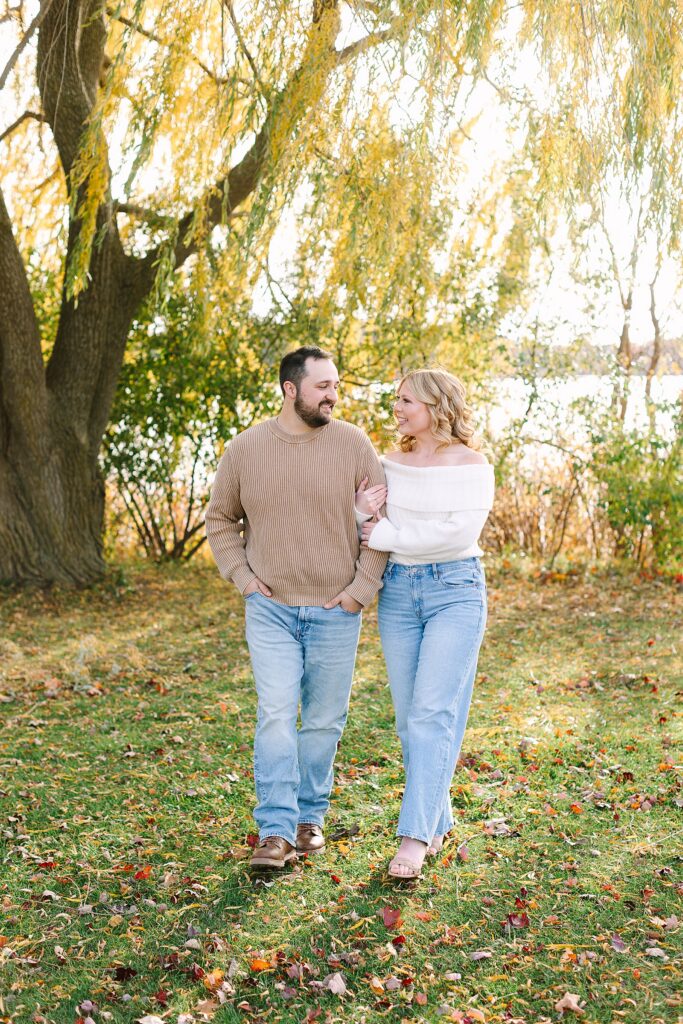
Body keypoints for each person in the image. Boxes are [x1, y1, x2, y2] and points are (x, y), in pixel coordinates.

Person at [205, 346, 388, 870]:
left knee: (324, 722)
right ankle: (275, 830)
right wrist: (243, 578)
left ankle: (311, 819)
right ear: (291, 389)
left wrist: (360, 590)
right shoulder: (244, 450)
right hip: (272, 609)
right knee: (277, 717)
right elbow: (221, 521)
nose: (334, 395)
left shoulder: (354, 444)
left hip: (336, 609)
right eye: (323, 386)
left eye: (336, 386)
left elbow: (382, 525)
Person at [356, 368, 494, 879]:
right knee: (410, 719)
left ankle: (413, 839)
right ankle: (437, 818)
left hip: (455, 591)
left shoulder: (473, 464)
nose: (397, 408)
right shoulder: (390, 463)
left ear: (436, 406)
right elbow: (367, 526)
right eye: (396, 399)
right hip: (398, 595)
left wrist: (388, 534)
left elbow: (457, 534)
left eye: (406, 400)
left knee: (432, 712)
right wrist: (360, 518)